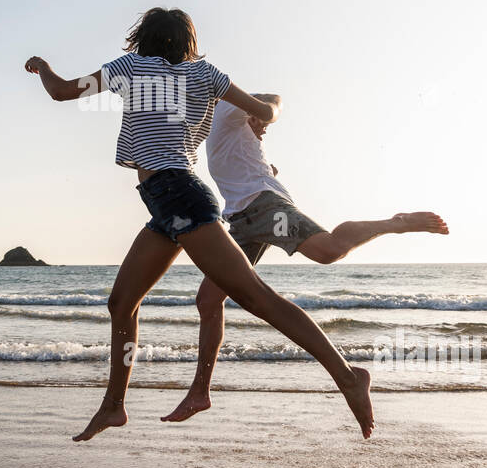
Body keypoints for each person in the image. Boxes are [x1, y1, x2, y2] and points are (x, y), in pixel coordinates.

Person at [24, 7, 374, 442]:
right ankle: (113, 406)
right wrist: (261, 117)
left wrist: (42, 66)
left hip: (179, 197)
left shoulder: (129, 67)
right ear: (187, 40)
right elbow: (267, 107)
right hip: (168, 203)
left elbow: (60, 92)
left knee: (255, 295)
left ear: (142, 38)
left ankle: (347, 375)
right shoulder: (207, 74)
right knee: (122, 303)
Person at [162, 96, 449, 423]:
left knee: (327, 250)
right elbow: (238, 157)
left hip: (264, 205)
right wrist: (265, 162)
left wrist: (262, 114)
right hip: (242, 219)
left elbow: (273, 101)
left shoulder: (226, 105)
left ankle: (396, 223)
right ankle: (200, 391)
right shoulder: (204, 128)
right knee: (209, 299)